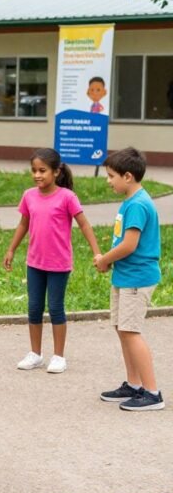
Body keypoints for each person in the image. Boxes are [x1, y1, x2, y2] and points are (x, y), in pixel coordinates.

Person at [3, 148, 101, 373]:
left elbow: (84, 224)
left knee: (56, 308)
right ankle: (35, 354)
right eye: (34, 171)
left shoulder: (67, 197)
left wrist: (97, 252)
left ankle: (59, 356)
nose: (37, 175)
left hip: (58, 264)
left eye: (42, 170)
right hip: (34, 262)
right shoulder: (29, 195)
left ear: (56, 172)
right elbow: (23, 224)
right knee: (34, 308)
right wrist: (11, 250)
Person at [94, 147, 164, 411]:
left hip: (137, 276)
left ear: (127, 176)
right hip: (125, 276)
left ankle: (152, 392)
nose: (108, 181)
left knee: (131, 332)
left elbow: (130, 245)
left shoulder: (138, 204)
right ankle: (134, 385)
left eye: (111, 176)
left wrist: (105, 259)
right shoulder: (131, 201)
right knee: (122, 330)